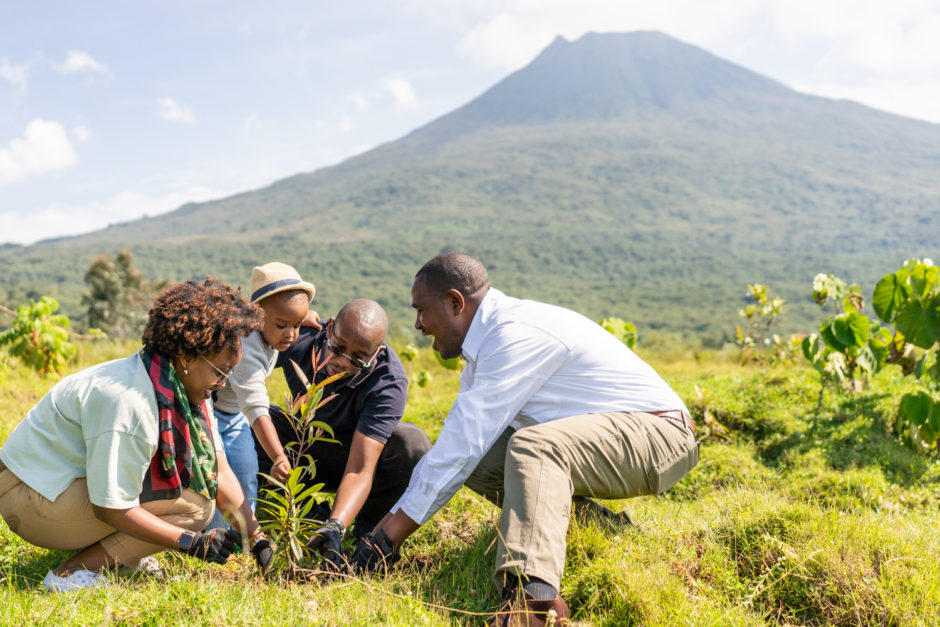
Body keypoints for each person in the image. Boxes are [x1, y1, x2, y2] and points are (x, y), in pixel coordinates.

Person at [352, 253, 699, 626]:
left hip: (660, 435)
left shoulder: (513, 334)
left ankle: (533, 601)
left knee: (534, 446)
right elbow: (457, 450)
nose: (418, 323)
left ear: (455, 302)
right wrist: (376, 538)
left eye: (422, 310)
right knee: (479, 457)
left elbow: (461, 447)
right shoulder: (482, 355)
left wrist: (387, 539)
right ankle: (595, 526)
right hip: (616, 436)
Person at [0, 278, 274, 592]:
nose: (223, 383)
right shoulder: (131, 401)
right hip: (29, 500)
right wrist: (190, 543)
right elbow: (111, 507)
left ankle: (121, 556)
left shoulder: (181, 387)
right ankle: (70, 574)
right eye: (220, 372)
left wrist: (258, 539)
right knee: (195, 506)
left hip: (58, 485)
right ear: (187, 358)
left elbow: (219, 471)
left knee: (201, 493)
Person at [256, 298, 431, 568]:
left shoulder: (388, 380)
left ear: (377, 352)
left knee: (411, 443)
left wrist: (336, 526)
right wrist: (276, 318)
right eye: (337, 348)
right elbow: (245, 340)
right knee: (255, 419)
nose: (341, 362)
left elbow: (360, 468)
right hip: (305, 447)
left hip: (355, 458)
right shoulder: (301, 337)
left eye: (358, 359)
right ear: (330, 328)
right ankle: (307, 517)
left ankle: (365, 531)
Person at [208, 262, 316, 528]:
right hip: (208, 414)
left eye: (297, 325)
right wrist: (279, 456)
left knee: (245, 474)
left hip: (233, 417)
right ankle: (215, 535)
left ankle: (243, 534)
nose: (291, 334)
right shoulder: (244, 347)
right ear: (257, 317)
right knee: (215, 476)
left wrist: (313, 320)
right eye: (282, 325)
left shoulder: (274, 329)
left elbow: (292, 316)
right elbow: (256, 408)